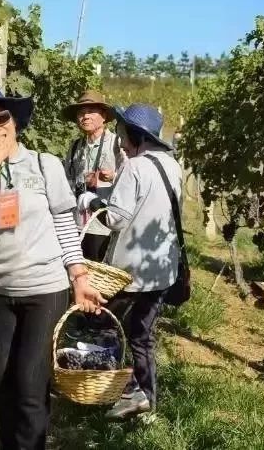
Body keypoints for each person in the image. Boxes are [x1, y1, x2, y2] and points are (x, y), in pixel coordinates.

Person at [0, 83, 105, 450]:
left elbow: (66, 226)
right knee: (4, 385)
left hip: (45, 289)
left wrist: (79, 277)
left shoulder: (44, 165)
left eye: (0, 117)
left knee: (31, 384)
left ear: (14, 120)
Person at [77, 103, 183, 419]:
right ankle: (146, 401)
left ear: (136, 135)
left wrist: (92, 200)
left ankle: (108, 391)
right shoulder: (171, 164)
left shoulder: (134, 167)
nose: (120, 141)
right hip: (163, 268)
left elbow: (117, 219)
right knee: (143, 335)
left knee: (109, 327)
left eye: (123, 134)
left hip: (130, 272)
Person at [61, 90, 125, 261]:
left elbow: (131, 178)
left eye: (91, 112)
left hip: (103, 226)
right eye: (81, 113)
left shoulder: (116, 144)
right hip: (78, 224)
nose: (85, 116)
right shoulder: (75, 147)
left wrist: (114, 176)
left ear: (104, 116)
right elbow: (67, 181)